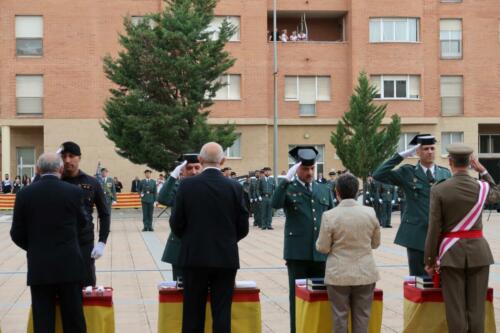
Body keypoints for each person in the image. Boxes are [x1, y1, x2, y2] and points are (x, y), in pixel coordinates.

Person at [170, 142, 249, 333]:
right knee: (222, 313)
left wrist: (190, 239)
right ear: (223, 160)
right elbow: (243, 227)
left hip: (194, 256)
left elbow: (176, 223)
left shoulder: (186, 186)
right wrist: (227, 241)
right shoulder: (234, 187)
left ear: (200, 160)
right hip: (225, 258)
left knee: (192, 313)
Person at [424, 144, 500, 333]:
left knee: (456, 309)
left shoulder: (439, 190)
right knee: (476, 309)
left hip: (452, 255)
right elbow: (496, 193)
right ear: (470, 163)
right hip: (479, 254)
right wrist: (483, 171)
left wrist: (430, 260)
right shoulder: (481, 187)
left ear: (450, 162)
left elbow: (434, 228)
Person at [10, 153, 87, 333]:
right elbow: (83, 223)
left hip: (40, 265)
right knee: (74, 318)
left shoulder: (24, 194)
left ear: (37, 170)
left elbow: (16, 233)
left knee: (43, 319)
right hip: (69, 263)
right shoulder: (74, 192)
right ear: (60, 169)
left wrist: (35, 247)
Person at [272, 146, 334, 333]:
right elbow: (274, 204)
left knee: (321, 297)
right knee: (297, 298)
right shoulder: (289, 188)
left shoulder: (323, 189)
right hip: (297, 253)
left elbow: (330, 218)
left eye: (312, 168)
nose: (309, 172)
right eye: (305, 169)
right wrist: (285, 181)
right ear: (297, 168)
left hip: (321, 253)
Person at [373, 134, 451, 276]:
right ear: (417, 152)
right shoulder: (407, 172)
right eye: (426, 149)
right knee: (418, 278)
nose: (430, 152)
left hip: (440, 234)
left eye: (432, 148)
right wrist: (401, 156)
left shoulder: (445, 174)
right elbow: (378, 174)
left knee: (441, 278)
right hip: (416, 235)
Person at [316, 173, 380, 333]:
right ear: (358, 191)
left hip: (338, 273)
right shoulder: (370, 212)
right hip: (365, 272)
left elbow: (322, 247)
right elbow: (375, 243)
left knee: (339, 317)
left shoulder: (329, 215)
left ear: (336, 192)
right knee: (363, 317)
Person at [60, 141, 110, 287]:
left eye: (71, 156)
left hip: (84, 242)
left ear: (79, 158)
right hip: (60, 243)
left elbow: (104, 213)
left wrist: (102, 241)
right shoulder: (56, 181)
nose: (67, 160)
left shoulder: (92, 182)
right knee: (63, 286)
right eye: (63, 156)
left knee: (87, 284)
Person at [158, 154, 202, 281]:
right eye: (189, 168)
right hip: (180, 245)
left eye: (196, 167)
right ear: (182, 171)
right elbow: (163, 198)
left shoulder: (207, 187)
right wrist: (173, 176)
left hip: (202, 245)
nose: (193, 171)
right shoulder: (177, 186)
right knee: (180, 289)